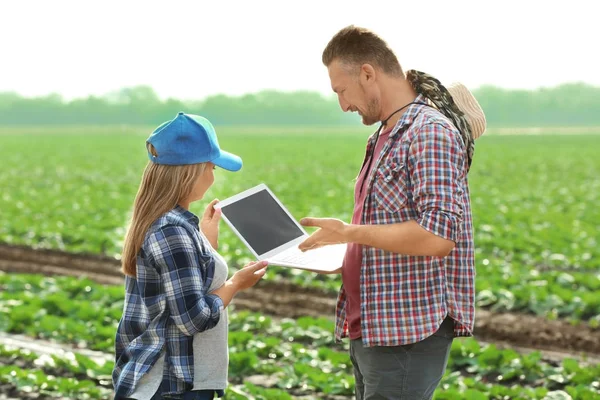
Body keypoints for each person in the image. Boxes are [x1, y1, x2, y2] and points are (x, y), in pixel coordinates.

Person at [298, 25, 486, 399]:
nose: (343, 105)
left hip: (406, 330)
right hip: (374, 324)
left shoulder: (428, 132)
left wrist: (350, 233)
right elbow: (386, 225)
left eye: (342, 90)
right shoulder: (385, 134)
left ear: (367, 73)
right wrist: (343, 248)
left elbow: (436, 237)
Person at [112, 112, 268, 400]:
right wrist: (235, 285)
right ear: (191, 172)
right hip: (173, 384)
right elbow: (192, 318)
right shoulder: (172, 230)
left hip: (165, 381)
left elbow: (178, 283)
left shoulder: (167, 222)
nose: (212, 176)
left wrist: (206, 240)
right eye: (211, 167)